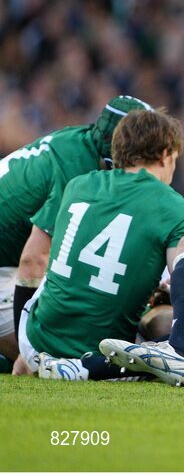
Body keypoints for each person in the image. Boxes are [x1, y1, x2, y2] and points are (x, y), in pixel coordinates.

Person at [13, 109, 184, 384]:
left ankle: (23, 361)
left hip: (36, 341)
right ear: (164, 154)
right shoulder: (177, 209)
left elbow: (41, 261)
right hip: (102, 353)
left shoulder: (78, 184)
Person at [0, 95, 151, 362]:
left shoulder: (80, 143)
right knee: (55, 358)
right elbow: (34, 259)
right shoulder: (77, 170)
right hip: (7, 267)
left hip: (9, 259)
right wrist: (29, 343)